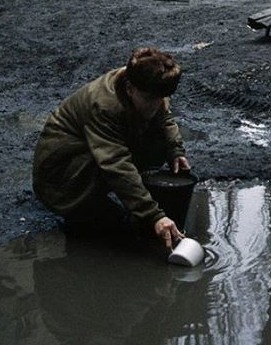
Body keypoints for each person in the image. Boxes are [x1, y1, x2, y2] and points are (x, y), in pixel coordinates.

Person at [33, 47, 191, 249]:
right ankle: (81, 208)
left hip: (95, 151)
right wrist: (154, 216)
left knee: (158, 142)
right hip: (61, 172)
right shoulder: (104, 105)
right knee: (110, 223)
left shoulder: (149, 84)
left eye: (160, 98)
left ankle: (122, 195)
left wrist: (175, 150)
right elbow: (116, 163)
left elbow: (164, 114)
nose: (157, 105)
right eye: (151, 100)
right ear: (130, 89)